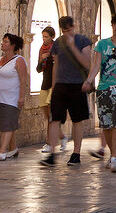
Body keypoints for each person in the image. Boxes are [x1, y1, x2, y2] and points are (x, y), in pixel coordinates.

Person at [83, 13, 116, 172]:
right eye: (115, 24)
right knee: (106, 124)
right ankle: (114, 156)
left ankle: (114, 157)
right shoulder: (102, 44)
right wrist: (88, 81)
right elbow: (96, 65)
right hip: (104, 88)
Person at [40, 16, 93, 167]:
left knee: (77, 120)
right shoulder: (58, 43)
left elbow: (86, 62)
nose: (66, 33)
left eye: (68, 30)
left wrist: (73, 47)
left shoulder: (83, 41)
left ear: (74, 27)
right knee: (55, 119)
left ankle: (76, 153)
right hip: (60, 86)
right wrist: (54, 85)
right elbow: (56, 64)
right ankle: (52, 154)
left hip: (77, 85)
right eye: (64, 31)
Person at [0, 33, 28, 161]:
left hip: (11, 97)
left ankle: (2, 151)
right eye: (3, 41)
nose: (2, 43)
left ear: (13, 45)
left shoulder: (19, 60)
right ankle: (13, 148)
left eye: (6, 42)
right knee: (6, 123)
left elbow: (23, 80)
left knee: (7, 124)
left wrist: (21, 97)